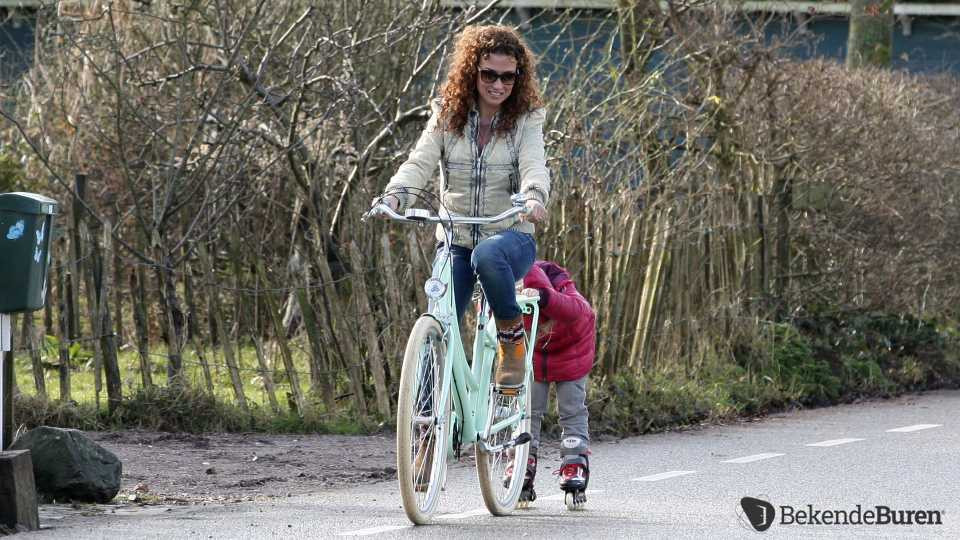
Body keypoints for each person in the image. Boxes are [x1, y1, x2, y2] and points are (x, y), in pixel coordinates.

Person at [375, 24, 550, 391]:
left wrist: (534, 196)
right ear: (473, 71)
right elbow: (419, 162)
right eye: (489, 74)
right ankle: (425, 418)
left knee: (487, 254)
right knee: (438, 321)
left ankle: (511, 339)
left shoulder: (526, 120)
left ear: (518, 77)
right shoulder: (447, 114)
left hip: (509, 237)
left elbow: (535, 165)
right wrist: (394, 196)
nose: (498, 84)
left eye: (508, 76)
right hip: (455, 239)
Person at [509, 260, 596, 504]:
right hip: (535, 352)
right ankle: (523, 460)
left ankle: (575, 461)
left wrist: (544, 297)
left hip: (572, 351)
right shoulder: (512, 281)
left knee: (571, 407)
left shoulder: (566, 293)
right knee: (528, 408)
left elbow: (576, 309)